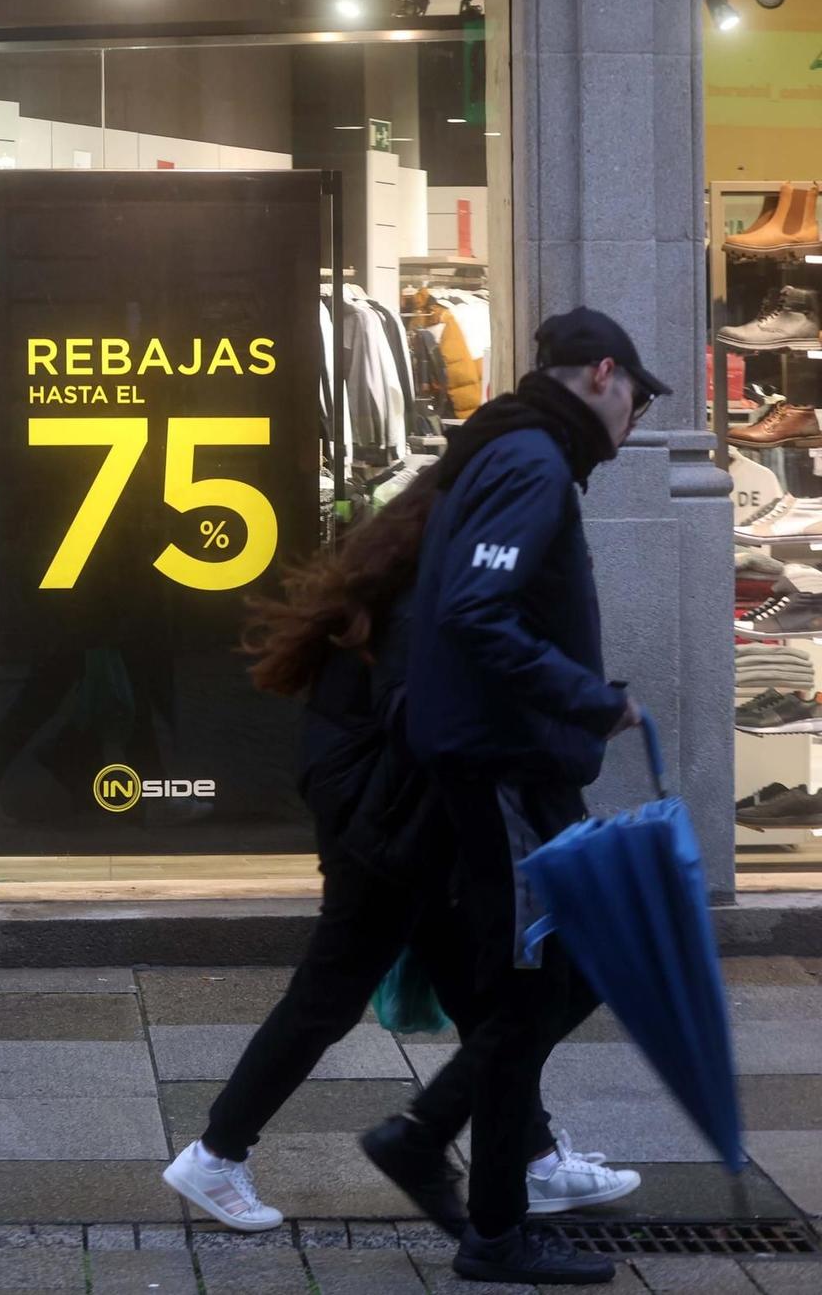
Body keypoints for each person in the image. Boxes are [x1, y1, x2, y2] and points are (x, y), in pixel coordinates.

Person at [161, 469, 637, 1238]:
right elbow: (424, 717)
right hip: (392, 834)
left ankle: (533, 1157)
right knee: (345, 996)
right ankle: (217, 1153)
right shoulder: (426, 600)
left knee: (492, 1005)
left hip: (400, 826)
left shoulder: (411, 578)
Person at [406, 308, 668, 1285]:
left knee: (569, 967)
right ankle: (493, 1226)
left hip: (506, 761)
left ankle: (434, 1136)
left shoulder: (508, 451)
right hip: (504, 765)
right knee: (533, 986)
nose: (633, 420)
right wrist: (586, 699)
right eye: (636, 399)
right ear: (601, 373)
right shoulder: (528, 462)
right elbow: (476, 609)